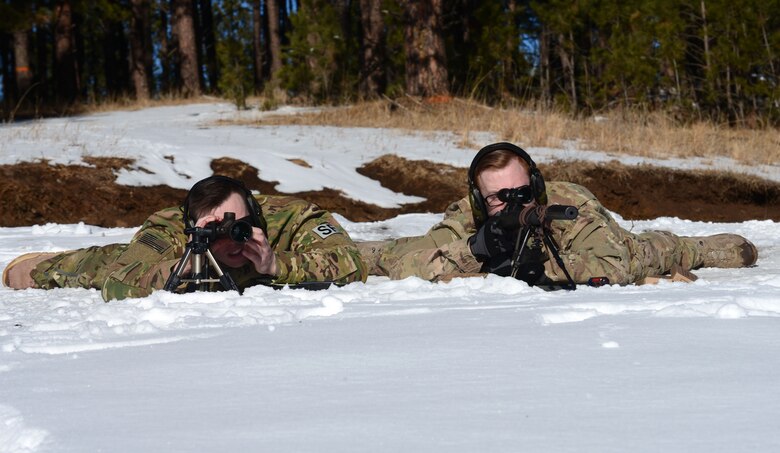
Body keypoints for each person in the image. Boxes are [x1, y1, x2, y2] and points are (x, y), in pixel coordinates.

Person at [357, 142, 758, 287]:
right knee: (388, 252)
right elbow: (407, 261)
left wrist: (536, 268)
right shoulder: (471, 216)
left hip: (605, 249)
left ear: (535, 185)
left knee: (649, 252)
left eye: (521, 193)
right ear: (479, 200)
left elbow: (614, 265)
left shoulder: (568, 208)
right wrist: (475, 249)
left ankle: (701, 247)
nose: (513, 205)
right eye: (498, 198)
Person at [3, 175, 367, 301]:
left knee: (377, 256)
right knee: (99, 265)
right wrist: (188, 264)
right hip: (145, 259)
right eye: (216, 231)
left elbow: (350, 262)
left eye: (239, 226)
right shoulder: (168, 228)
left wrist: (276, 265)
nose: (233, 241)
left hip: (283, 253)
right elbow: (118, 282)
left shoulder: (293, 215)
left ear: (255, 215)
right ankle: (37, 265)